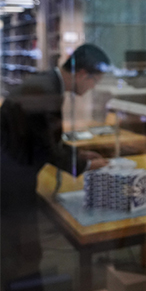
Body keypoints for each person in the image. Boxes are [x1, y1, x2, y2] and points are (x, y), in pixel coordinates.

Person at [0, 43, 111, 290]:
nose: (94, 87)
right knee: (20, 250)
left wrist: (79, 153)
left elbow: (46, 139)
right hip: (10, 178)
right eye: (95, 80)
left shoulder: (47, 83)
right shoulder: (49, 91)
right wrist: (86, 164)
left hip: (12, 169)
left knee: (20, 248)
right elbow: (49, 148)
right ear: (82, 74)